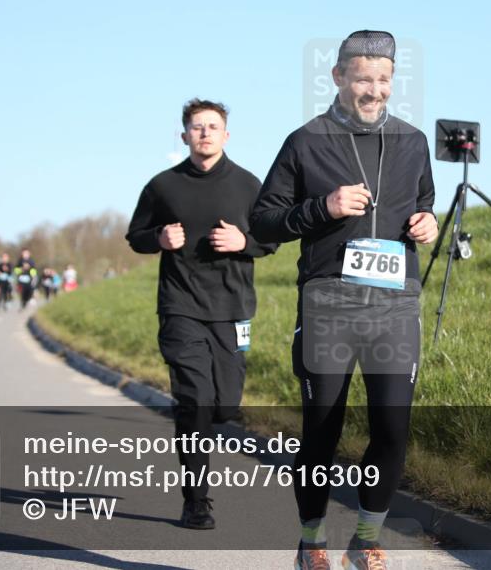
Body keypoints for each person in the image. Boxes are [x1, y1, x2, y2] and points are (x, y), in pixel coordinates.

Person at [250, 31, 438, 570]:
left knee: (392, 428)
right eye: (363, 79)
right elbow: (263, 221)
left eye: (383, 80)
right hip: (328, 304)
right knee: (323, 429)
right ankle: (311, 542)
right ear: (337, 77)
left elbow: (421, 206)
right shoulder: (305, 141)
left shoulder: (414, 142)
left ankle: (366, 537)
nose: (374, 90)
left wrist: (425, 224)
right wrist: (323, 208)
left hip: (395, 305)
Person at [126, 98, 277, 530]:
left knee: (224, 406)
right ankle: (196, 501)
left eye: (213, 126)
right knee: (194, 402)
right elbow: (135, 236)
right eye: (197, 126)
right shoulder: (162, 186)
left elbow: (272, 237)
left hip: (232, 309)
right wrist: (158, 236)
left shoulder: (249, 185)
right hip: (180, 307)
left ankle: (210, 425)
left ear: (226, 135)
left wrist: (242, 242)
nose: (205, 132)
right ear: (184, 135)